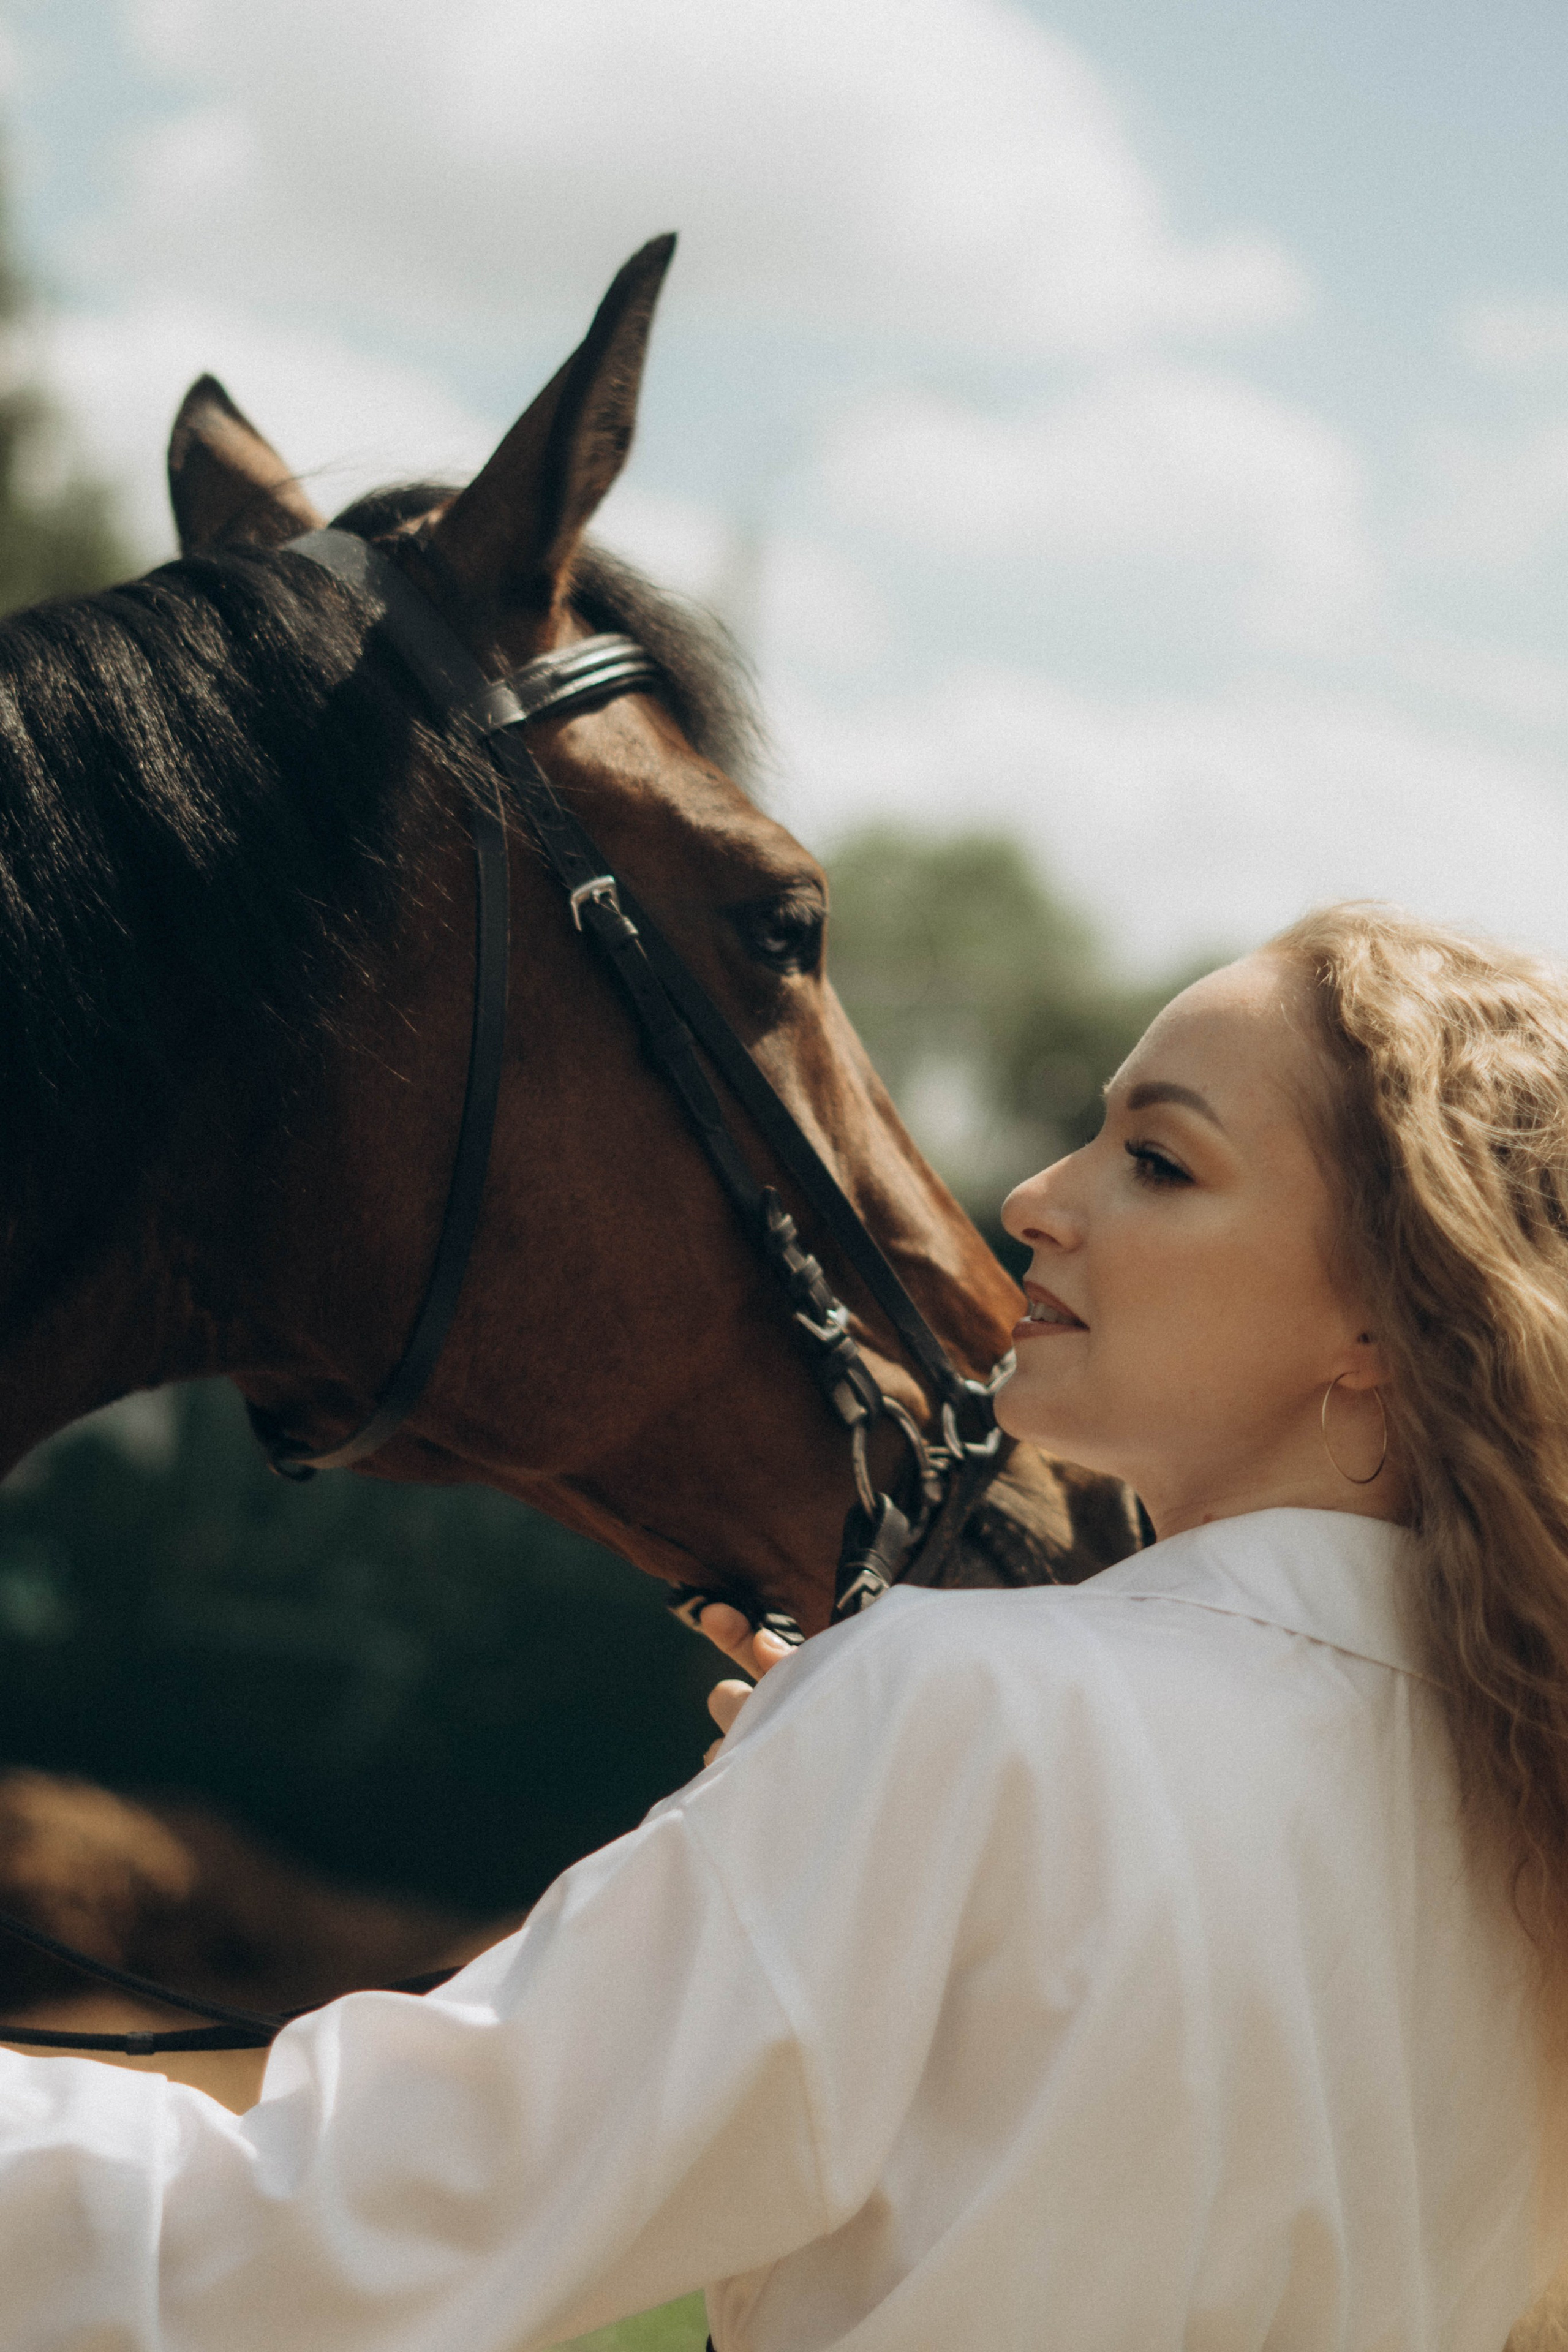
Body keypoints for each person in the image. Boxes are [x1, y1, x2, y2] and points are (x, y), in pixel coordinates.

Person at [2, 899, 1566, 2350]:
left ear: (1381, 1317)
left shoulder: (958, 1710)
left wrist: (885, 1774)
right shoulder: (1522, 1809)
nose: (1034, 1198)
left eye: (1156, 1161)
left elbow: (310, 2239)